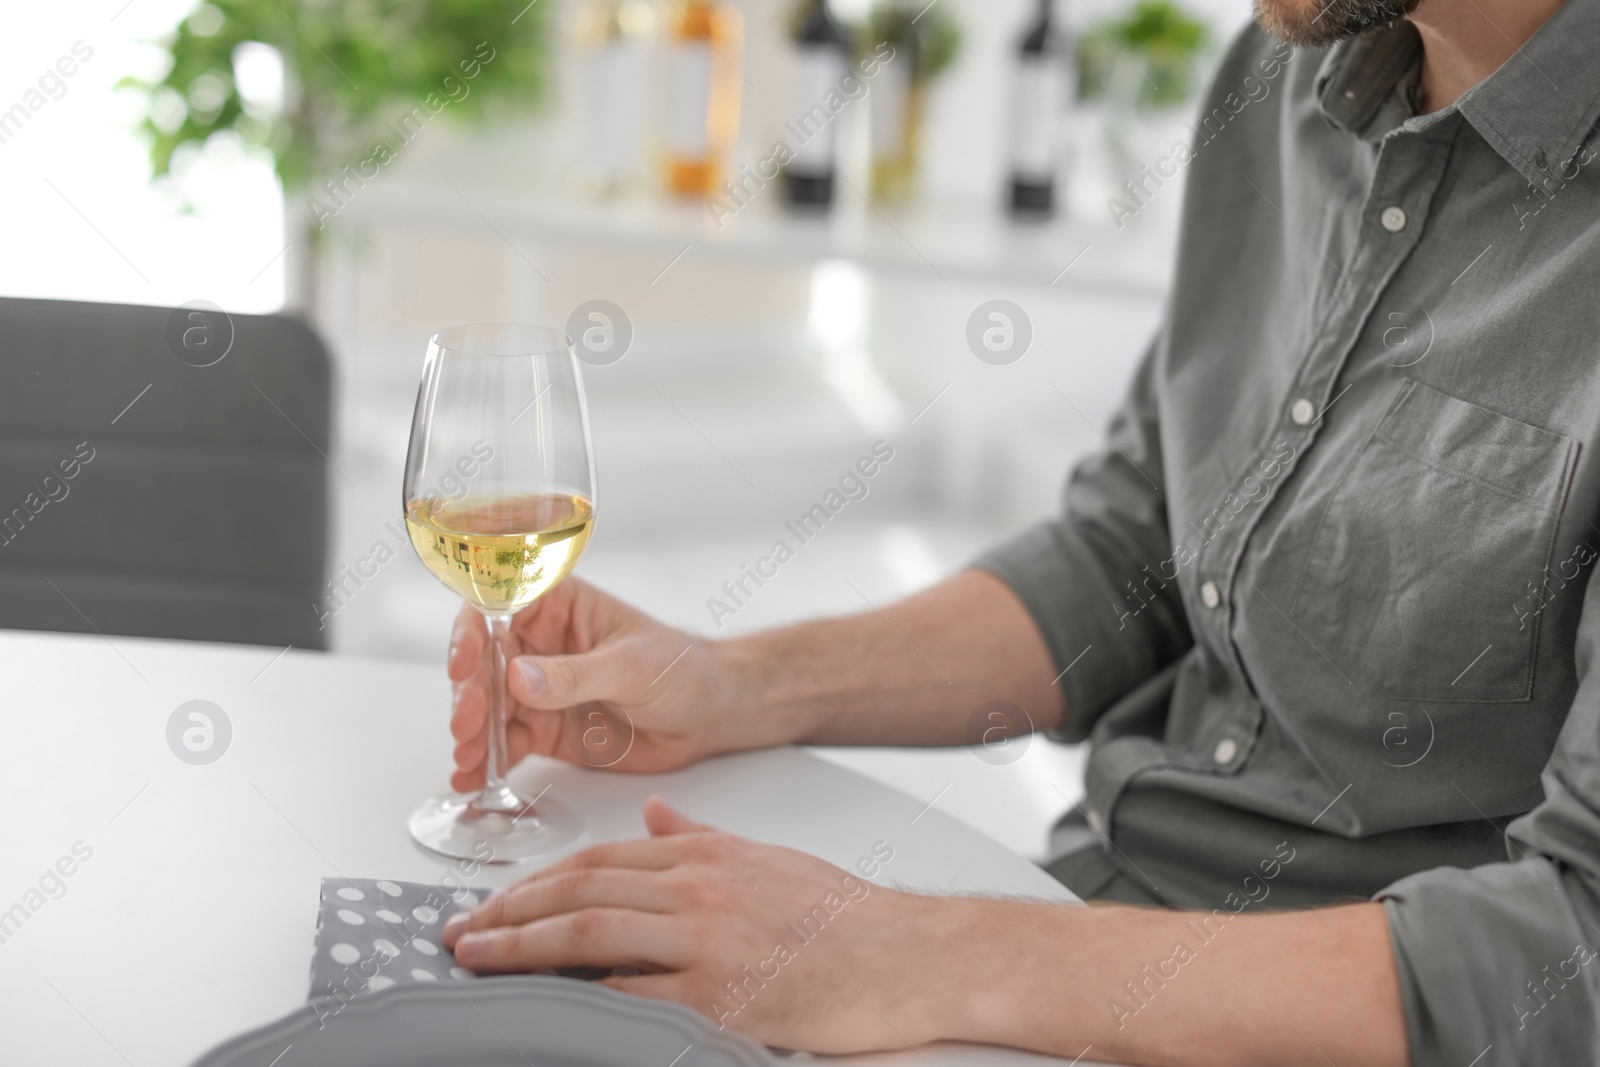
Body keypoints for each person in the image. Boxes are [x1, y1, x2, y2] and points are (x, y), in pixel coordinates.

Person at [438, 0, 1600, 1061]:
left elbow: (1573, 952)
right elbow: (1131, 552)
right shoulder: (1289, 78)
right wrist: (736, 682)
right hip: (1084, 929)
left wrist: (919, 955)